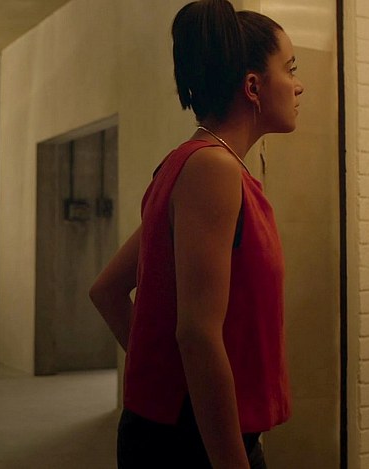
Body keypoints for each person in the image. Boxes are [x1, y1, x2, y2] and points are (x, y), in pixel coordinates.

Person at [89, 1, 304, 468]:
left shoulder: (196, 164)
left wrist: (163, 375)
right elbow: (198, 335)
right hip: (192, 445)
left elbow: (106, 290)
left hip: (187, 431)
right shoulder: (212, 170)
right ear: (253, 87)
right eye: (290, 69)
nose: (298, 84)